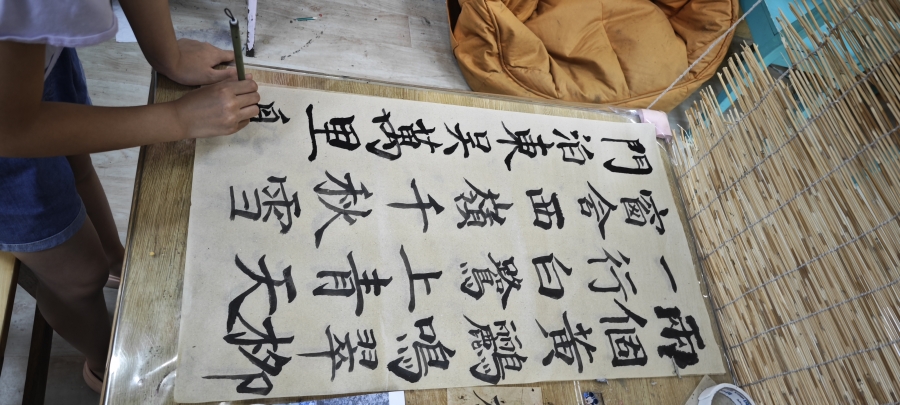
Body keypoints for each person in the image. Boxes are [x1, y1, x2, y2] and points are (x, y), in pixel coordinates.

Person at [0, 0, 260, 392]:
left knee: (78, 169)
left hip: (35, 62)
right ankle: (104, 363)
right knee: (77, 278)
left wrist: (169, 56)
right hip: (7, 143)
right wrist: (178, 118)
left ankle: (115, 261)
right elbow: (12, 130)